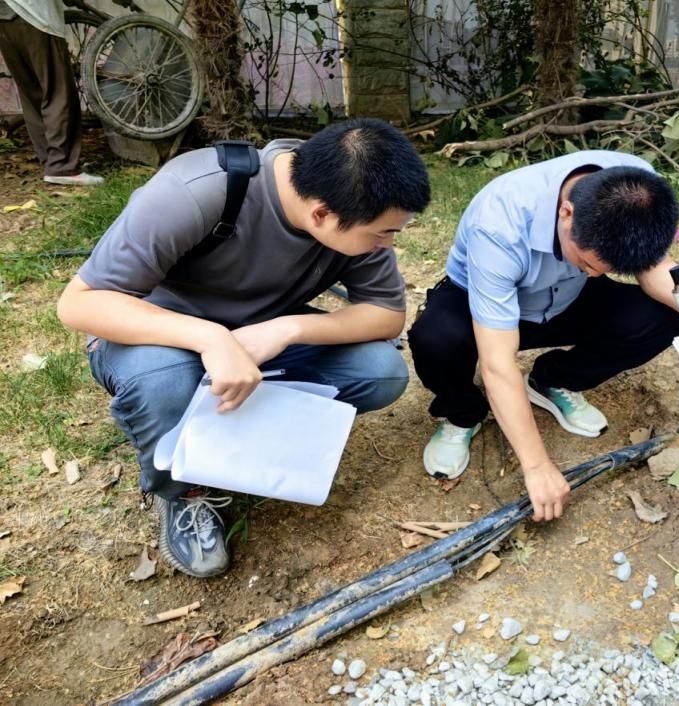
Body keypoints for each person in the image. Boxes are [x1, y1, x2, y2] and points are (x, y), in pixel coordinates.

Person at [57, 119, 431, 578]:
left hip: (257, 336)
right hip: (157, 335)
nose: (386, 245)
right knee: (163, 384)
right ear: (321, 214)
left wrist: (287, 329)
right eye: (382, 234)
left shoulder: (354, 207)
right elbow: (80, 303)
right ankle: (182, 492)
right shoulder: (196, 191)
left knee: (380, 370)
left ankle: (242, 442)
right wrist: (209, 338)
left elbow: (386, 314)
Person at [408, 150, 679, 523]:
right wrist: (537, 467)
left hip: (567, 296)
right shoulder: (499, 224)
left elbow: (654, 268)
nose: (597, 274)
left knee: (668, 316)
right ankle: (462, 414)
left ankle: (552, 380)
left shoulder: (639, 190)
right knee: (435, 338)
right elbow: (496, 362)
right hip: (481, 304)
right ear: (566, 213)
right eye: (588, 262)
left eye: (606, 269)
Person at [0, 0, 103, 186]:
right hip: (34, 16)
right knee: (58, 92)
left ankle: (50, 160)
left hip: (5, 19)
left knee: (32, 91)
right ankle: (61, 166)